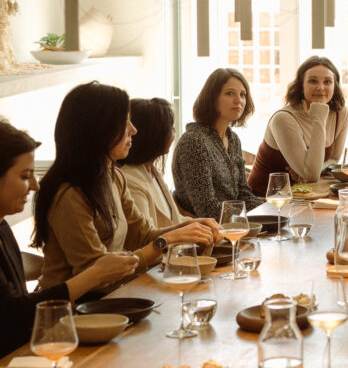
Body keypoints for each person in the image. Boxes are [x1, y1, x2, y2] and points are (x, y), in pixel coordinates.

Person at [33, 82, 214, 289]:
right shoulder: (69, 194)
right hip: (77, 305)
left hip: (116, 294)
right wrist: (168, 240)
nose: (134, 130)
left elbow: (142, 235)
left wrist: (192, 228)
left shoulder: (114, 177)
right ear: (98, 130)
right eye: (124, 123)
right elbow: (96, 274)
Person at [0, 118, 137, 357]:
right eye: (25, 176)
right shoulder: (69, 193)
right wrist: (95, 273)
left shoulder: (2, 226)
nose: (35, 186)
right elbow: (13, 316)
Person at [248, 56, 348, 195]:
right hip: (267, 199)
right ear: (301, 86)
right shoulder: (283, 119)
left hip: (305, 194)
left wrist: (306, 173)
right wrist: (319, 119)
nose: (321, 87)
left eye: (327, 82)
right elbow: (312, 175)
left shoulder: (340, 113)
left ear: (335, 87)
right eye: (313, 81)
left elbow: (334, 160)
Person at [172, 68, 261, 219]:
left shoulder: (233, 139)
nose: (238, 100)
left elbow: (243, 193)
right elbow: (207, 209)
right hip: (208, 230)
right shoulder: (194, 142)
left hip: (236, 225)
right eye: (229, 93)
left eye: (242, 94)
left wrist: (271, 212)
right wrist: (249, 217)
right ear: (212, 98)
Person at [120, 97, 184, 228]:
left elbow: (175, 220)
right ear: (153, 135)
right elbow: (146, 234)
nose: (174, 134)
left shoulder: (152, 172)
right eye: (170, 129)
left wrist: (203, 223)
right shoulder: (131, 180)